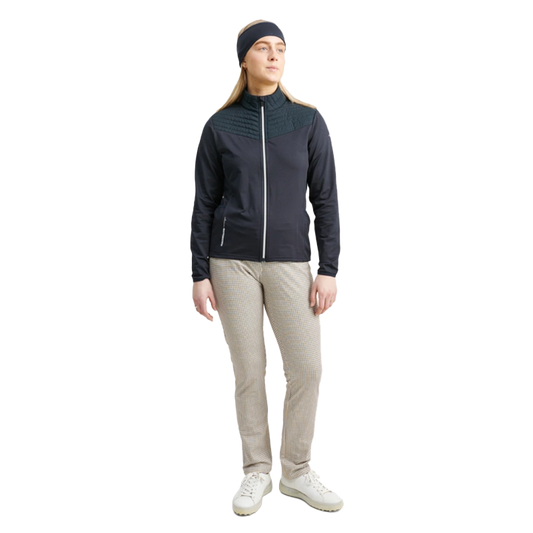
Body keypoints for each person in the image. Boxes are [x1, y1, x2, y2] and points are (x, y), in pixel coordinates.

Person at [189, 17, 345, 517]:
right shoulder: (218, 127)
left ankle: (296, 470)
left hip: (292, 261)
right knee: (249, 370)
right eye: (263, 48)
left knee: (308, 367)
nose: (275, 55)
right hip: (230, 263)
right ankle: (256, 470)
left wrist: (329, 267)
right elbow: (203, 205)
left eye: (281, 48)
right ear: (243, 60)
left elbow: (326, 199)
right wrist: (198, 273)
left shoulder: (308, 121)